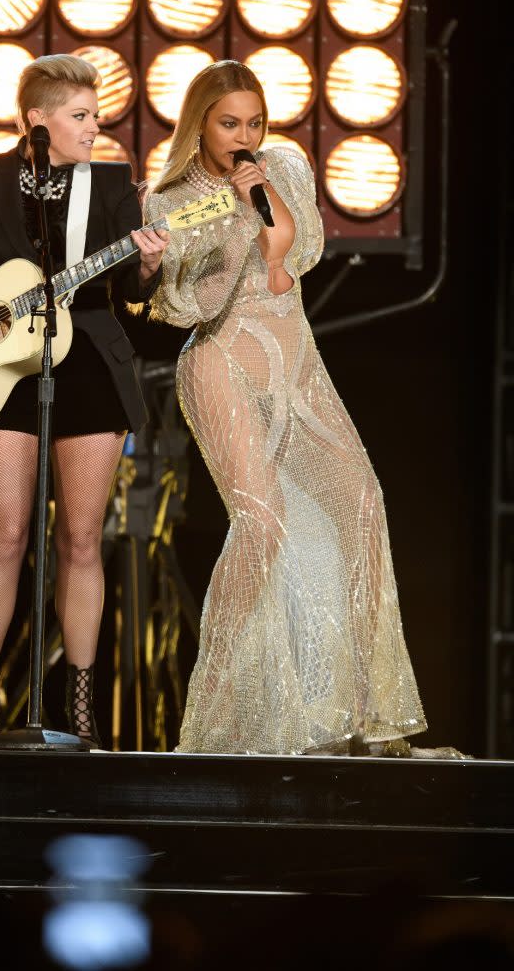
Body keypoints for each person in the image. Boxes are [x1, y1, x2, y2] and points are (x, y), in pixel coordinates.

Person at [143, 60, 426, 755]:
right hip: (223, 361)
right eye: (228, 123)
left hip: (295, 360)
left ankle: (366, 715)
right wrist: (233, 227)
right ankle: (215, 720)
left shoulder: (285, 165)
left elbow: (299, 250)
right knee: (263, 523)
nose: (243, 136)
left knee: (360, 500)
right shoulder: (173, 198)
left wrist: (260, 191)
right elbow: (189, 305)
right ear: (200, 124)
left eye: (254, 122)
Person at [0, 54, 168, 746]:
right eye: (79, 116)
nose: (93, 126)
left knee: (80, 538)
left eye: (96, 114)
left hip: (90, 369)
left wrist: (151, 263)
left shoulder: (110, 183)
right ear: (35, 120)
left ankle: (80, 701)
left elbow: (130, 289)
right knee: (8, 531)